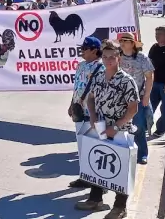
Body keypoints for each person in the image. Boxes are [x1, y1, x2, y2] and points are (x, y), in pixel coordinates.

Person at [76, 40, 139, 218]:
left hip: (120, 130)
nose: (108, 60)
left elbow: (133, 108)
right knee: (97, 162)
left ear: (118, 58)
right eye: (105, 57)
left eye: (112, 57)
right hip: (101, 126)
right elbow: (91, 98)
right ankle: (95, 199)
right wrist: (94, 118)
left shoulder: (126, 81)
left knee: (121, 167)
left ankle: (120, 207)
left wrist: (116, 126)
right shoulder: (99, 76)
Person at [66, 36, 103, 189]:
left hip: (95, 114)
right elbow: (77, 87)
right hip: (80, 111)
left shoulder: (102, 68)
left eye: (85, 49)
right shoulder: (80, 66)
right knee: (82, 146)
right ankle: (85, 176)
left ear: (94, 50)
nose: (81, 51)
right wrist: (71, 103)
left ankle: (99, 183)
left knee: (96, 148)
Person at [118, 32, 154, 164]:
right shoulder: (118, 57)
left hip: (137, 98)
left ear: (132, 43)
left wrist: (147, 96)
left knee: (138, 127)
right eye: (121, 41)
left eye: (125, 41)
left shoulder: (142, 58)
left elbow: (149, 77)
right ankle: (124, 154)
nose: (122, 43)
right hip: (120, 99)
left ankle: (142, 154)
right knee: (121, 126)